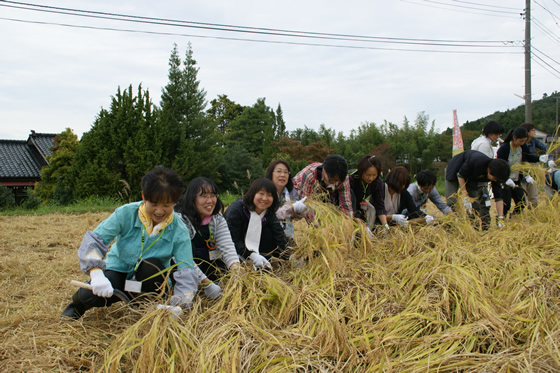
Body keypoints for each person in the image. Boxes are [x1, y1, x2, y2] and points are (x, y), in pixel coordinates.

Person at [61, 166, 198, 320]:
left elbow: (186, 270)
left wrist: (180, 305)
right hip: (119, 270)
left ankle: (142, 311)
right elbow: (94, 240)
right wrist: (96, 273)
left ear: (175, 201)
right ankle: (76, 305)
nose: (159, 211)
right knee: (89, 295)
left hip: (151, 279)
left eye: (166, 206)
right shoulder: (125, 213)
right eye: (153, 204)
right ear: (143, 196)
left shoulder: (179, 230)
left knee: (151, 266)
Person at [175, 177, 240, 296]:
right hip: (186, 270)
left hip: (208, 264)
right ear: (192, 198)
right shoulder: (180, 220)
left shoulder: (217, 219)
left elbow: (228, 247)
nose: (210, 201)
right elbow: (184, 259)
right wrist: (207, 284)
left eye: (213, 195)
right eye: (204, 196)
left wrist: (237, 274)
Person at [224, 178, 289, 270]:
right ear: (252, 193)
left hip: (260, 252)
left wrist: (289, 256)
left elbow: (280, 236)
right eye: (261, 193)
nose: (265, 198)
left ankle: (267, 261)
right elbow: (232, 239)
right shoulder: (237, 210)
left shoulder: (268, 213)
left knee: (269, 231)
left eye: (269, 195)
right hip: (236, 252)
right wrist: (251, 255)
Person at [445, 150, 510, 230]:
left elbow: (498, 197)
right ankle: (452, 227)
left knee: (475, 204)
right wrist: (465, 196)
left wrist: (500, 218)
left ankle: (473, 228)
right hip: (455, 169)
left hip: (472, 178)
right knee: (452, 201)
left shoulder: (496, 176)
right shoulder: (477, 161)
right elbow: (460, 175)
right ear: (490, 170)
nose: (496, 180)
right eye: (495, 178)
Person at [265, 160, 308, 240]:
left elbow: (296, 218)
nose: (282, 175)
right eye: (279, 171)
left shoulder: (292, 193)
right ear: (271, 173)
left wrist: (300, 211)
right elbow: (268, 217)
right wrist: (291, 209)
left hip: (286, 239)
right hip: (267, 237)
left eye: (286, 172)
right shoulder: (265, 192)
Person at [497, 127, 533, 216]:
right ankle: (501, 221)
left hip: (516, 180)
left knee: (521, 202)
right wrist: (505, 179)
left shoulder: (522, 147)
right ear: (514, 138)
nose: (522, 143)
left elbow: (529, 157)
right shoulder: (504, 148)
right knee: (506, 204)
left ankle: (513, 217)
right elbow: (499, 166)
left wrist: (540, 158)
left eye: (524, 141)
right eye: (521, 141)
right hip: (505, 181)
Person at [348, 154, 388, 229]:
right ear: (361, 171)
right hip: (347, 208)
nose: (371, 178)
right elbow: (347, 203)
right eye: (368, 174)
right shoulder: (351, 178)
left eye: (374, 175)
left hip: (361, 206)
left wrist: (385, 225)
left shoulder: (377, 182)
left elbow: (379, 205)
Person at [520, 123, 553, 207]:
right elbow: (522, 160)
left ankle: (533, 215)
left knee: (534, 197)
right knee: (522, 197)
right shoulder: (520, 143)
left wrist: (550, 159)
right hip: (522, 171)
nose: (534, 132)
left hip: (533, 171)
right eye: (533, 130)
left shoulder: (534, 140)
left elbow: (547, 148)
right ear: (527, 132)